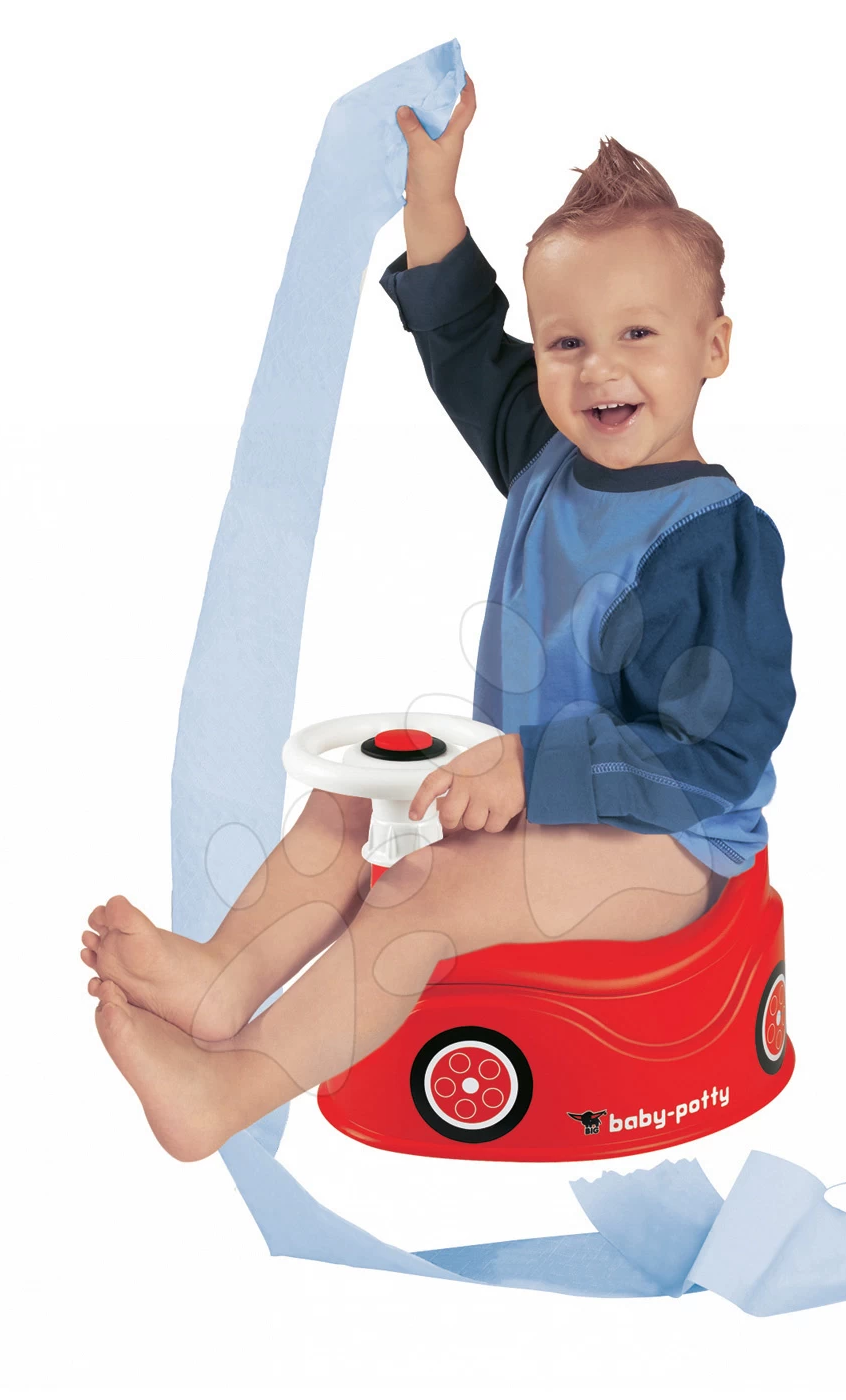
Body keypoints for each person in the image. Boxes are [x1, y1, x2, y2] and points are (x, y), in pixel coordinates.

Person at [81, 71, 796, 1162]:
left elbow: (717, 756)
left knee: (425, 884)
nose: (598, 368)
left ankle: (229, 1091)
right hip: (542, 793)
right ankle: (222, 982)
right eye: (565, 343)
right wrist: (433, 191)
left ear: (714, 346)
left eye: (638, 333)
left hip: (668, 842)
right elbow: (461, 337)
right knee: (351, 793)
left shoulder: (710, 541)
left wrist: (531, 769)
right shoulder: (547, 453)